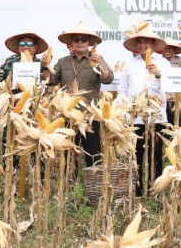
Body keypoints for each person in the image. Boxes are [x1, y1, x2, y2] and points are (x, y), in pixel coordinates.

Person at [47, 22, 113, 167]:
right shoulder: (62, 62)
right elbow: (51, 81)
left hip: (90, 116)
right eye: (76, 39)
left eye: (84, 39)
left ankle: (94, 185)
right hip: (67, 115)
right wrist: (46, 66)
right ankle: (69, 185)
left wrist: (100, 61)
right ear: (71, 42)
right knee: (68, 155)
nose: (80, 42)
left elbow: (108, 79)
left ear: (89, 42)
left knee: (93, 154)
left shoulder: (96, 60)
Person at [117, 26, 171, 196]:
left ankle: (156, 190)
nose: (143, 45)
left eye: (146, 41)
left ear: (153, 44)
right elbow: (123, 91)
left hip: (157, 117)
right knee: (136, 155)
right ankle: (138, 190)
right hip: (135, 119)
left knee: (155, 156)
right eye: (140, 42)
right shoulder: (129, 65)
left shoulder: (163, 63)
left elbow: (170, 91)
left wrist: (159, 74)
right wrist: (122, 113)